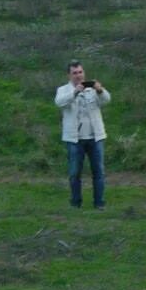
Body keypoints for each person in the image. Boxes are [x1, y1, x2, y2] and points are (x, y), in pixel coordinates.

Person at [55, 60, 111, 209]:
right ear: (69, 75)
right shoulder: (63, 90)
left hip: (95, 137)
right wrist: (75, 92)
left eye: (80, 72)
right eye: (75, 73)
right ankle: (75, 203)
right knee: (74, 174)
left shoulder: (92, 89)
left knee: (98, 172)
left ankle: (99, 203)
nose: (78, 76)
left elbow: (107, 100)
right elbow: (59, 102)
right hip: (74, 139)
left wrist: (100, 90)